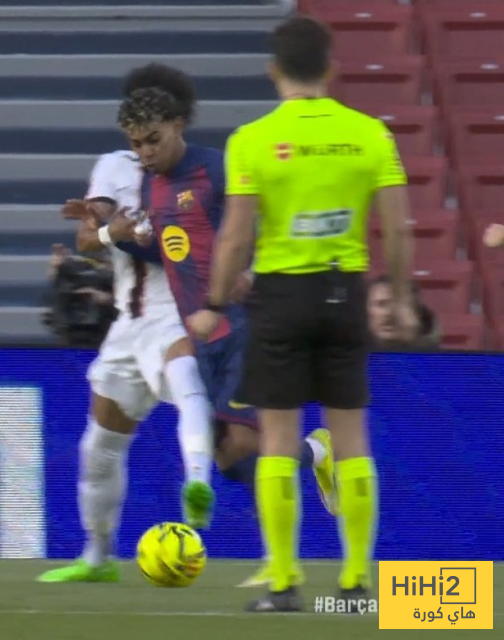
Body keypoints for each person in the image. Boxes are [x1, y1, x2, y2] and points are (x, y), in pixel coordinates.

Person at [189, 16, 417, 612]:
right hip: (344, 294)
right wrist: (399, 297)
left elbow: (236, 236)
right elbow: (398, 228)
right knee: (352, 440)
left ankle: (285, 584)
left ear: (274, 71)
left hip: (280, 299)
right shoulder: (370, 134)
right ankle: (356, 584)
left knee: (278, 438)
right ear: (331, 68)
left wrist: (214, 304)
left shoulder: (252, 139)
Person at [115, 62, 337, 589]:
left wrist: (254, 272)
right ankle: (315, 453)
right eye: (136, 144)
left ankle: (280, 562)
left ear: (177, 126)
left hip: (245, 325)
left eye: (153, 139)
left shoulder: (216, 169)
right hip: (202, 334)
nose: (145, 152)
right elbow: (169, 250)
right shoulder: (152, 188)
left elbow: (272, 219)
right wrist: (114, 238)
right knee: (231, 457)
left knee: (242, 441)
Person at [37, 149, 215, 583]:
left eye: (153, 129)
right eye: (137, 131)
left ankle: (198, 482)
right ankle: (98, 558)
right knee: (99, 447)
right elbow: (87, 238)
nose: (144, 142)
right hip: (128, 326)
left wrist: (136, 232)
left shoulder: (198, 172)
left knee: (220, 429)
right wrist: (103, 228)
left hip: (177, 313)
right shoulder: (114, 165)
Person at [368, 275, 440, 350]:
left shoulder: (437, 357)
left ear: (417, 313)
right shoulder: (359, 357)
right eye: (382, 304)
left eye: (400, 304)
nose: (390, 313)